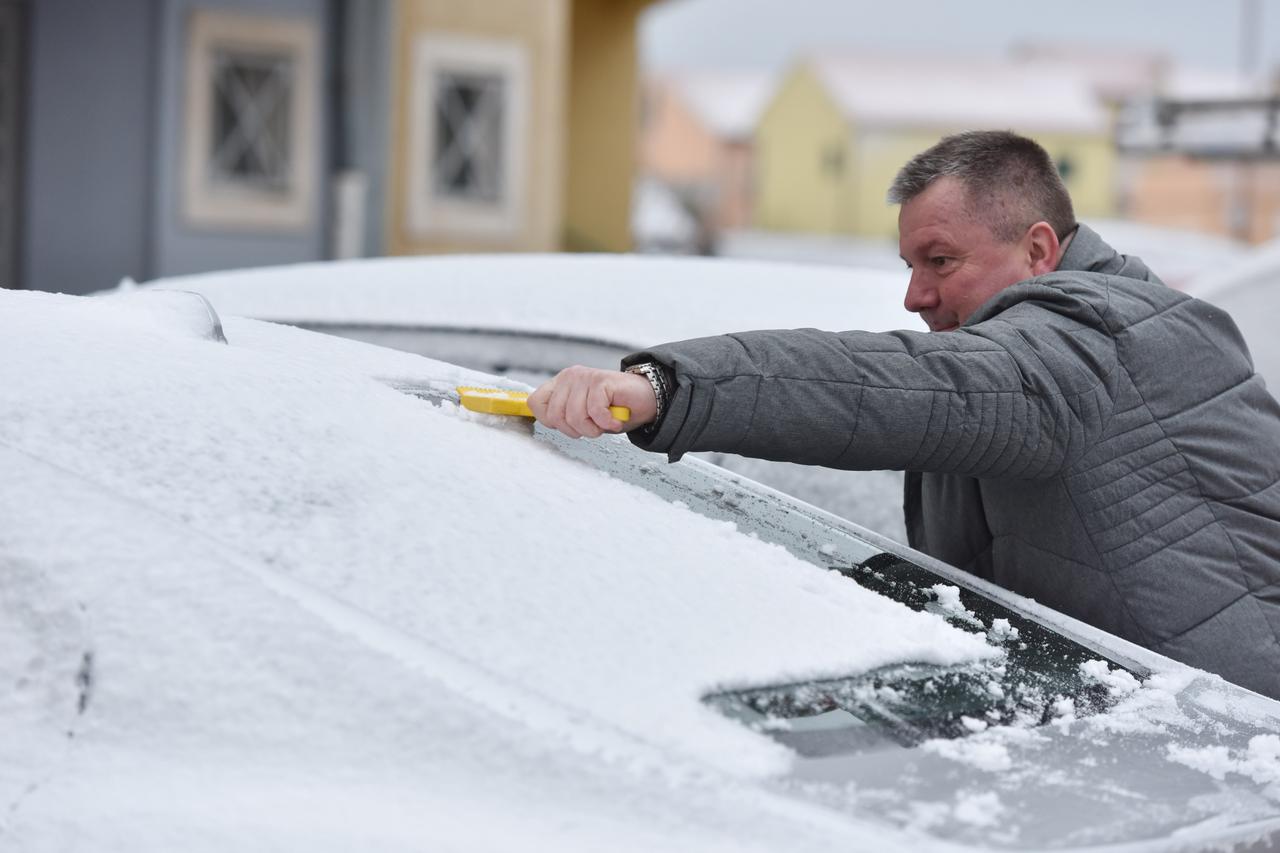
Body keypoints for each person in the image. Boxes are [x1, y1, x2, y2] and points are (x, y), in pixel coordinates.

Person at [527, 130, 1280, 700]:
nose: (914, 296)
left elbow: (896, 386)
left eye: (940, 261)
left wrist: (668, 386)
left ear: (1039, 249)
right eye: (909, 267)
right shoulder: (1030, 350)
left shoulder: (1091, 342)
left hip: (1239, 755)